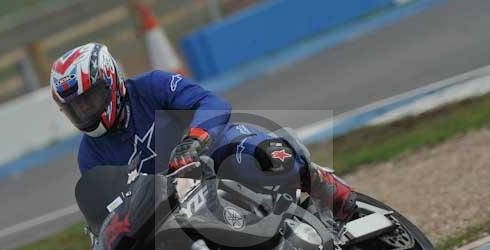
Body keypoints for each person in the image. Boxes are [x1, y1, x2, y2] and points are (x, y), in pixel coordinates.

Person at [50, 43, 356, 220]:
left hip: (214, 154)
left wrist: (194, 139)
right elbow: (110, 206)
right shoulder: (89, 156)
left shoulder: (152, 86)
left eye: (89, 99)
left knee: (260, 153)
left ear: (110, 80)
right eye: (76, 107)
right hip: (175, 205)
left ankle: (322, 185)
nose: (85, 111)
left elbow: (211, 102)